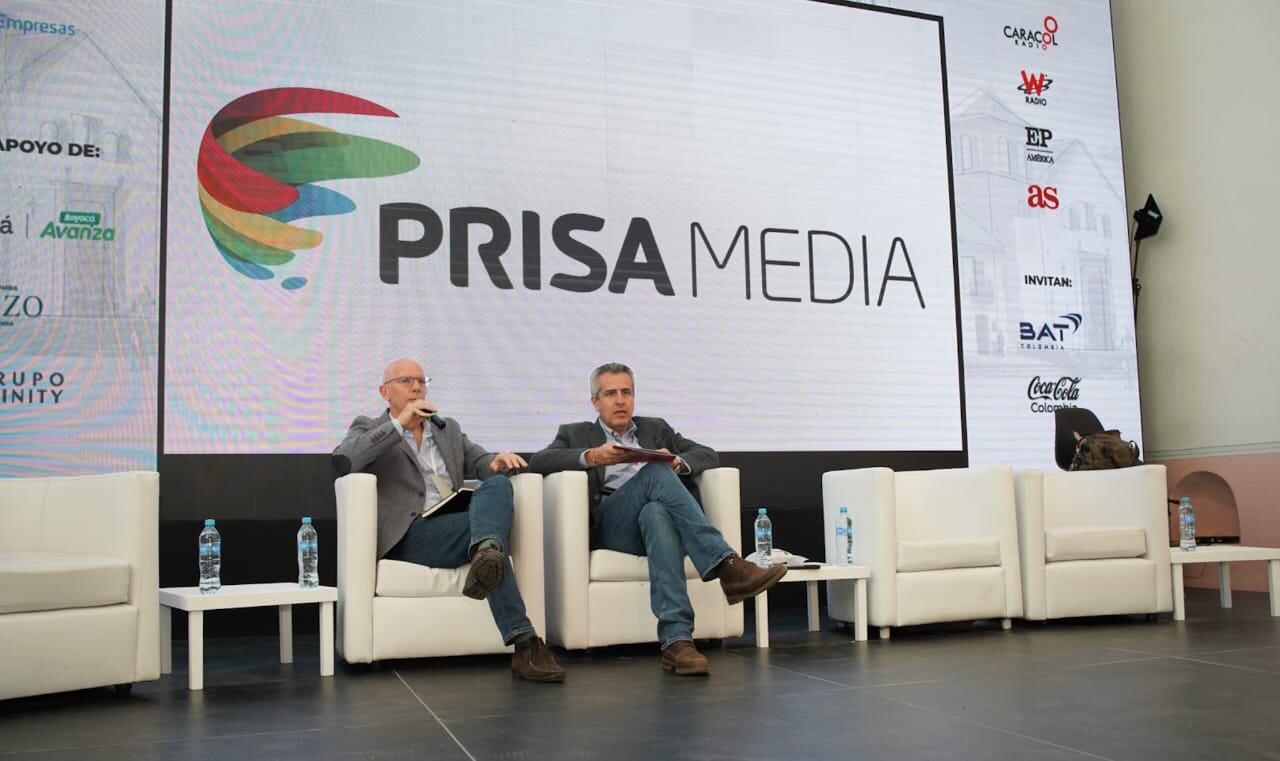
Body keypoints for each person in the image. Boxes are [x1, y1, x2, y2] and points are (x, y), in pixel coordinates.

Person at [528, 362, 786, 676]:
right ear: (595, 401)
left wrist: (680, 461)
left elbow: (707, 453)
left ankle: (677, 642)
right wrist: (592, 456)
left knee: (657, 512)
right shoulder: (576, 433)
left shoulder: (655, 428)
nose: (620, 400)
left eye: (627, 392)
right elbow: (539, 461)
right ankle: (727, 565)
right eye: (610, 394)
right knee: (654, 472)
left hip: (655, 521)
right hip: (613, 525)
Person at [333, 358, 565, 683]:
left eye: (421, 381)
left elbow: (478, 460)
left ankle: (490, 557)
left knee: (496, 489)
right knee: (489, 533)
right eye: (406, 381)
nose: (416, 387)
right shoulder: (369, 427)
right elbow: (345, 459)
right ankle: (526, 646)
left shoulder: (447, 428)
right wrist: (399, 424)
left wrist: (494, 462)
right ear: (385, 392)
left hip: (452, 525)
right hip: (408, 534)